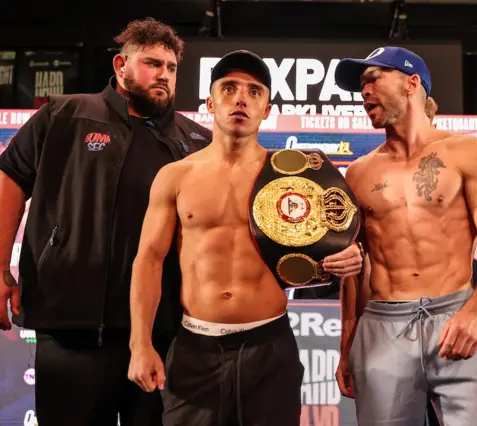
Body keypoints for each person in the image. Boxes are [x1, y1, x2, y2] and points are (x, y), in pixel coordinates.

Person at [126, 49, 364, 426]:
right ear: (210, 102)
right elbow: (148, 260)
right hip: (195, 348)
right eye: (229, 88)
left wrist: (348, 259)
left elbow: (338, 245)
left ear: (267, 110)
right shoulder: (176, 176)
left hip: (269, 347)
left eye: (254, 92)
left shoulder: (296, 179)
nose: (241, 99)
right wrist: (140, 344)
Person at [0, 18, 212, 426]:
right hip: (71, 327)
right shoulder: (64, 115)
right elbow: (10, 179)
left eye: (170, 68)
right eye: (152, 64)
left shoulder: (196, 141)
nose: (163, 76)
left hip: (164, 333)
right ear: (120, 65)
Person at [332, 46, 477, 426]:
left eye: (373, 79)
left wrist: (476, 313)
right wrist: (347, 342)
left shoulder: (464, 151)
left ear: (412, 83)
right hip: (383, 326)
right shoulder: (359, 173)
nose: (364, 92)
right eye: (360, 86)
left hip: (456, 316)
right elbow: (356, 268)